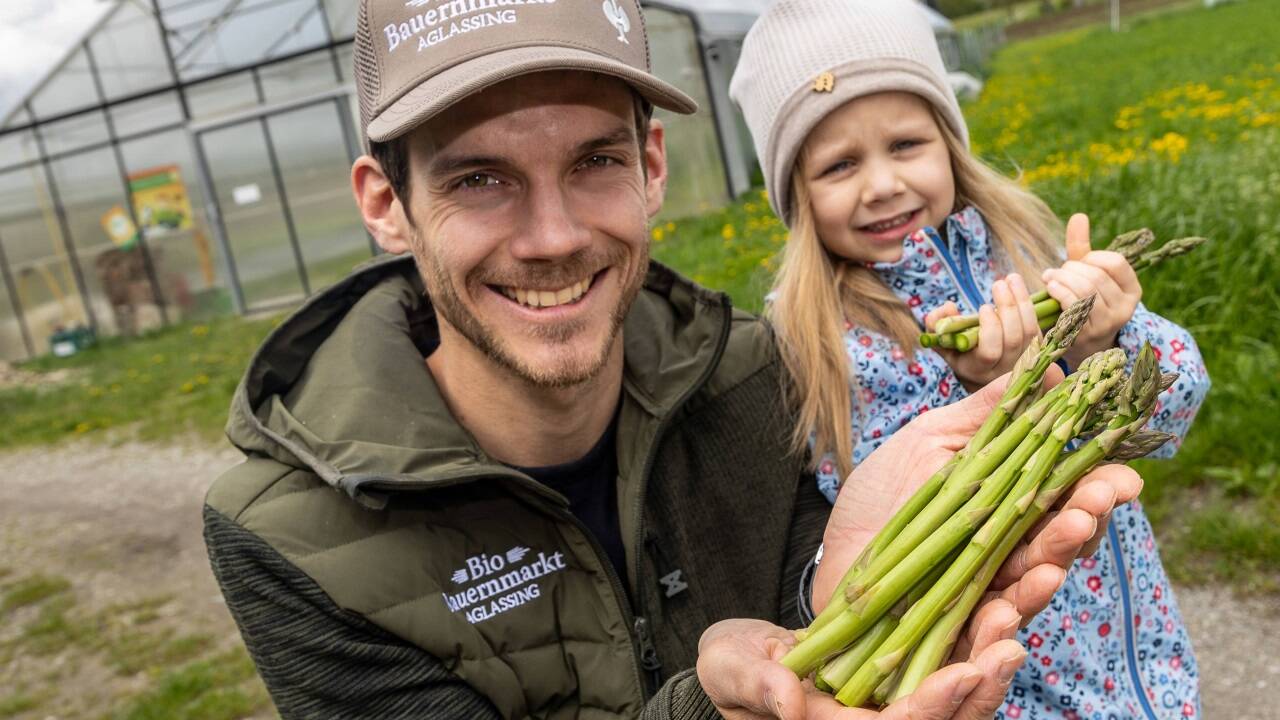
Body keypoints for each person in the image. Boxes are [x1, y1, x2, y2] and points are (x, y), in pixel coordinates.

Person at [202, 0, 1144, 718]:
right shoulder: (291, 541)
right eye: (478, 178)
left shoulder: (757, 379)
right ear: (384, 203)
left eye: (594, 162)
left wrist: (832, 591)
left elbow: (825, 643)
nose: (552, 237)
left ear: (653, 165)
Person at [728, 1, 1211, 718]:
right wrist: (988, 392)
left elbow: (1174, 410)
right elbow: (890, 521)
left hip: (1140, 661)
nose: (882, 183)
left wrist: (1107, 340)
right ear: (794, 196)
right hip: (1000, 674)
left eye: (905, 145)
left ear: (951, 145)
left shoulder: (1029, 256)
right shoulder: (825, 339)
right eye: (838, 164)